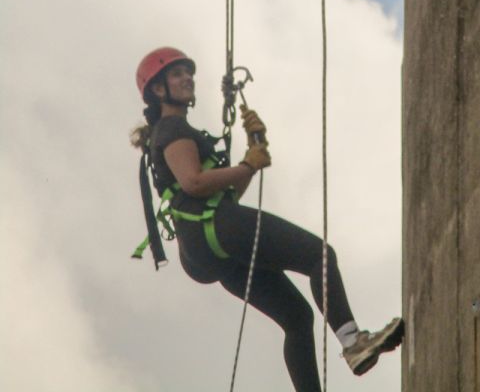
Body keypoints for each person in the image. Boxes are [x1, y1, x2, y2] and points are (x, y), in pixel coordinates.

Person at [131, 46, 403, 392]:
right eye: (177, 74)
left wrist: (253, 151)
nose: (187, 79)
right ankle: (353, 343)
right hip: (217, 229)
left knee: (297, 318)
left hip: (206, 246)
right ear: (158, 90)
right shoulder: (172, 129)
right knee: (319, 255)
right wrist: (247, 165)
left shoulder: (171, 132)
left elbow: (223, 196)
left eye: (189, 73)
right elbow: (194, 182)